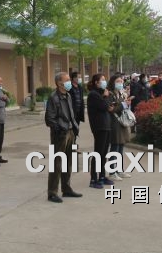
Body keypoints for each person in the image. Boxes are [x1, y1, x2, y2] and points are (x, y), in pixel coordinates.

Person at [45, 72, 82, 203]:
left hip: (70, 132)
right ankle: (52, 192)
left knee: (68, 162)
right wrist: (59, 129)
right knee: (57, 163)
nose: (69, 82)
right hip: (60, 134)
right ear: (59, 83)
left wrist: (74, 128)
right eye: (66, 80)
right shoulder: (53, 98)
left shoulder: (68, 95)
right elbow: (49, 119)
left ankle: (66, 189)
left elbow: (71, 114)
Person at [86, 73, 114, 189]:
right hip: (99, 127)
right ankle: (93, 179)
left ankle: (102, 176)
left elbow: (110, 107)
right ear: (96, 82)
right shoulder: (93, 94)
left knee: (104, 153)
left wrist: (106, 98)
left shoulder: (100, 93)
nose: (104, 81)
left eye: (104, 79)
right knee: (98, 153)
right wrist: (106, 97)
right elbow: (105, 107)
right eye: (102, 79)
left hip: (106, 125)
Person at [107, 74, 133, 181]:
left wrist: (127, 103)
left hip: (122, 123)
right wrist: (123, 105)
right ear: (113, 82)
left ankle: (119, 170)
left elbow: (120, 107)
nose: (120, 83)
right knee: (115, 147)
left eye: (121, 81)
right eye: (118, 81)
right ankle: (112, 172)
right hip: (114, 123)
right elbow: (111, 109)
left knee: (121, 147)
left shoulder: (121, 93)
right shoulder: (110, 94)